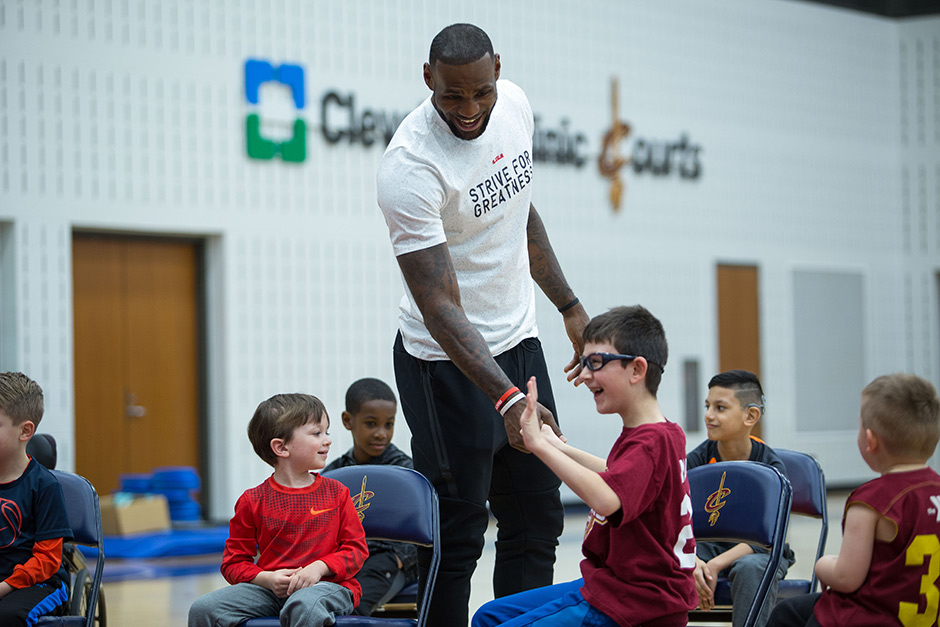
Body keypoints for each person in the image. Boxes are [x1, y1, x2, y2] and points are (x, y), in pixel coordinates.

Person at [376, 22, 591, 626]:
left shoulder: (515, 105)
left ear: (498, 69)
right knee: (459, 527)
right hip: (444, 364)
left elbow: (519, 211)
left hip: (519, 342)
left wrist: (569, 307)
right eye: (452, 96)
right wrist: (504, 401)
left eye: (480, 93)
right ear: (428, 80)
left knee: (537, 517)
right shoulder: (410, 167)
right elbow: (440, 307)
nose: (469, 110)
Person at [472, 305, 697, 627]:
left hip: (634, 601)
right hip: (620, 586)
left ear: (637, 370)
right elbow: (616, 473)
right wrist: (553, 444)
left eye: (596, 363)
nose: (585, 375)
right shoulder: (661, 432)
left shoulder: (650, 441)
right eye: (583, 363)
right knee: (489, 615)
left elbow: (608, 498)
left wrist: (537, 446)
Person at [768, 373, 940, 627]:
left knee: (797, 616)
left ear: (870, 440)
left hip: (871, 617)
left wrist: (823, 565)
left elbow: (847, 577)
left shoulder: (870, 501)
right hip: (922, 617)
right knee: (790, 611)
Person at [188, 393, 368, 627]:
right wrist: (268, 579)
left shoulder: (338, 493)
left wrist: (319, 567)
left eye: (327, 432)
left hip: (330, 587)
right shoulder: (252, 500)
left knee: (304, 604)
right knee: (204, 609)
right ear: (281, 447)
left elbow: (356, 550)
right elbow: (233, 563)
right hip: (272, 592)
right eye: (316, 433)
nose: (327, 440)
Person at [688, 369, 795, 627]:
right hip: (708, 549)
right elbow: (677, 522)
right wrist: (694, 561)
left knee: (750, 568)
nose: (708, 415)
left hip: (757, 553)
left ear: (751, 416)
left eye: (720, 407)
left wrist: (715, 565)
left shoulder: (771, 468)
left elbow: (769, 540)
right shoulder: (696, 461)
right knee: (669, 560)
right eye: (707, 406)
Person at [323, 377, 418, 616]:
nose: (381, 434)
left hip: (386, 562)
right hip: (345, 560)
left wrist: (399, 559)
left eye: (389, 424)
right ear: (348, 421)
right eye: (371, 423)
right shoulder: (334, 474)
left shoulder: (405, 473)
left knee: (350, 608)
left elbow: (423, 528)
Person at [0, 372, 72, 626]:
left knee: (7, 616)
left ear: (25, 431)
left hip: (40, 582)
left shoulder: (44, 486)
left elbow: (47, 561)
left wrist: (6, 586)